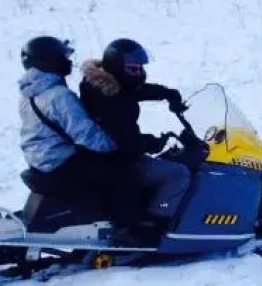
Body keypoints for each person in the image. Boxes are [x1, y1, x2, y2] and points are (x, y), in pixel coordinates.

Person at [18, 35, 144, 243]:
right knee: (122, 172)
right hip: (59, 162)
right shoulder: (59, 95)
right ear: (50, 61)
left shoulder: (32, 92)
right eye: (63, 57)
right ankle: (126, 231)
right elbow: (87, 135)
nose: (68, 62)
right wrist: (120, 145)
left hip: (42, 158)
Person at [78, 38, 191, 229]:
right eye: (133, 69)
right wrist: (153, 143)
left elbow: (135, 91)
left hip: (108, 157)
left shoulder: (106, 85)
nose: (138, 73)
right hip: (117, 160)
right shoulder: (109, 99)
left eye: (140, 68)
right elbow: (126, 139)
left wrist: (167, 93)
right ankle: (153, 227)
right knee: (178, 173)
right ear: (116, 67)